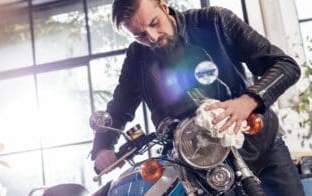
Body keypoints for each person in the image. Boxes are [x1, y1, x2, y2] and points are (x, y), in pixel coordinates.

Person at [90, 0, 304, 195]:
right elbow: (118, 108)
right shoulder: (137, 58)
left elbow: (285, 66)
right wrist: (102, 147)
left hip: (261, 146)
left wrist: (246, 102)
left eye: (154, 23)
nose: (152, 38)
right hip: (202, 167)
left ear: (164, 7)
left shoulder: (214, 21)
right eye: (140, 35)